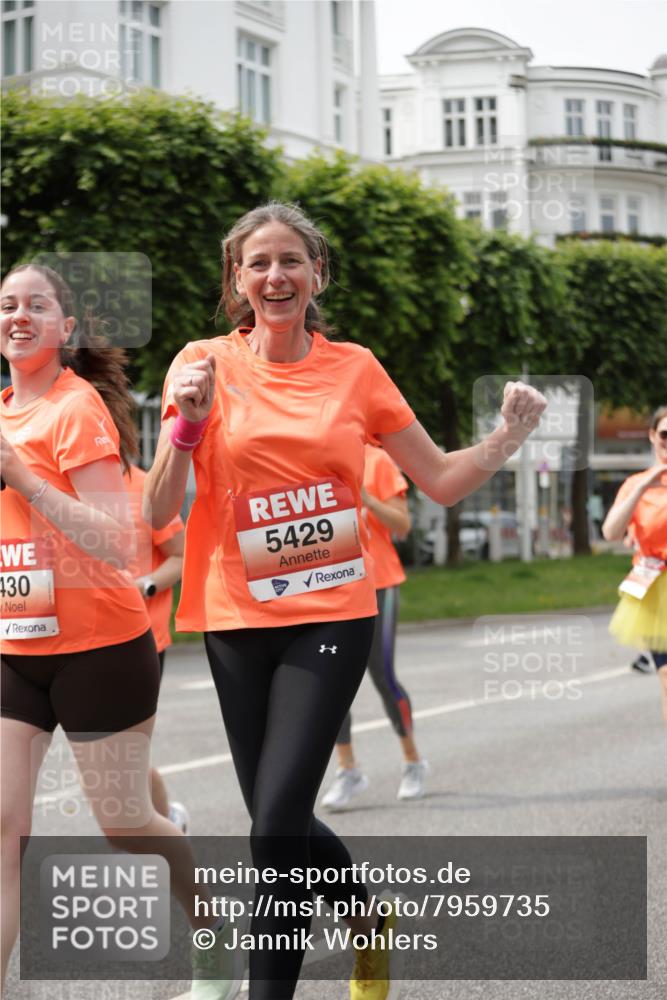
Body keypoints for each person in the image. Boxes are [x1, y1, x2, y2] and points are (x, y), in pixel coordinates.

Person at [144, 201, 547, 1000]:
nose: (275, 275)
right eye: (257, 263)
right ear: (236, 281)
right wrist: (186, 427)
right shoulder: (201, 363)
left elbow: (436, 477)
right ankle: (365, 919)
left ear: (316, 274)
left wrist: (505, 437)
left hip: (331, 612)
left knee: (271, 830)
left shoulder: (355, 369)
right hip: (232, 614)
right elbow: (157, 510)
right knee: (277, 815)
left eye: (290, 259)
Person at [0, 264, 235, 999]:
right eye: (7, 305)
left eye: (37, 305)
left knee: (127, 825)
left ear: (65, 329)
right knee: (4, 832)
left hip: (100, 648)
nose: (19, 316)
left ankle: (212, 934)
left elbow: (118, 541)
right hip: (15, 647)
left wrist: (21, 476)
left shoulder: (76, 412)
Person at [322, 443, 428, 810]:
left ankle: (413, 761)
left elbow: (402, 523)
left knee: (382, 674)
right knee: (329, 682)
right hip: (331, 587)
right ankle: (348, 769)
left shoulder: (376, 458)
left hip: (378, 583)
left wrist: (365, 497)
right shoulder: (315, 457)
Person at [123, 461, 189, 831]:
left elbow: (181, 554)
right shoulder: (51, 485)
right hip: (74, 643)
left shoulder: (145, 487)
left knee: (124, 754)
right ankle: (166, 825)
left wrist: (144, 585)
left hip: (139, 639)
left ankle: (165, 825)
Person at [603, 406, 667, 721]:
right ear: (653, 437)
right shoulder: (636, 485)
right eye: (666, 434)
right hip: (658, 594)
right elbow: (611, 532)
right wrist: (644, 486)